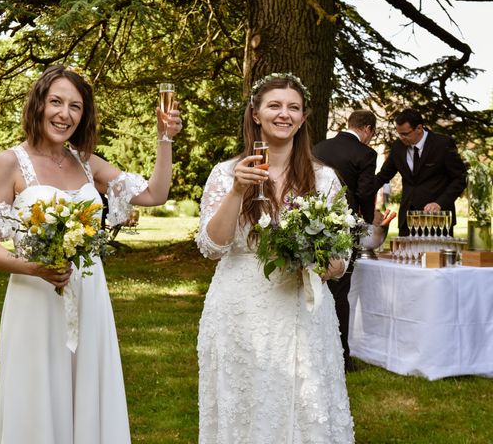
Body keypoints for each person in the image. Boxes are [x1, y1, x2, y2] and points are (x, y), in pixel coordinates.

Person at [0, 64, 182, 444]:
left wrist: (165, 140)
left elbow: (153, 195)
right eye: (56, 102)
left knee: (89, 393)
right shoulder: (9, 163)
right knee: (36, 393)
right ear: (38, 105)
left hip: (89, 296)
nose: (64, 114)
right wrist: (34, 268)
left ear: (84, 115)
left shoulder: (87, 161)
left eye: (75, 107)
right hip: (35, 297)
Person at [195, 72, 354, 443]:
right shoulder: (224, 173)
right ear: (255, 114)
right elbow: (211, 247)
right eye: (275, 106)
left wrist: (326, 261)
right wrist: (237, 189)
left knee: (307, 404)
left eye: (293, 108)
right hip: (239, 312)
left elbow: (340, 257)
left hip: (303, 310)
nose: (284, 114)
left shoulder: (324, 179)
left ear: (303, 117)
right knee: (246, 406)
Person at [313, 109, 393, 372]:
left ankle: (315, 348)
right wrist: (368, 221)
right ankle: (342, 356)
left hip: (312, 224)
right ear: (368, 129)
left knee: (314, 284)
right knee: (339, 290)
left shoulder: (319, 147)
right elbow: (366, 191)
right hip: (344, 229)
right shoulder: (365, 154)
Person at [374, 108, 466, 236]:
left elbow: (460, 179)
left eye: (405, 134)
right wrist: (360, 194)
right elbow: (382, 176)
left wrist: (440, 203)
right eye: (399, 134)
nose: (402, 138)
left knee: (435, 257)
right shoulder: (397, 147)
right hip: (407, 221)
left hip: (438, 220)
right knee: (405, 256)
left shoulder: (443, 144)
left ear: (419, 128)